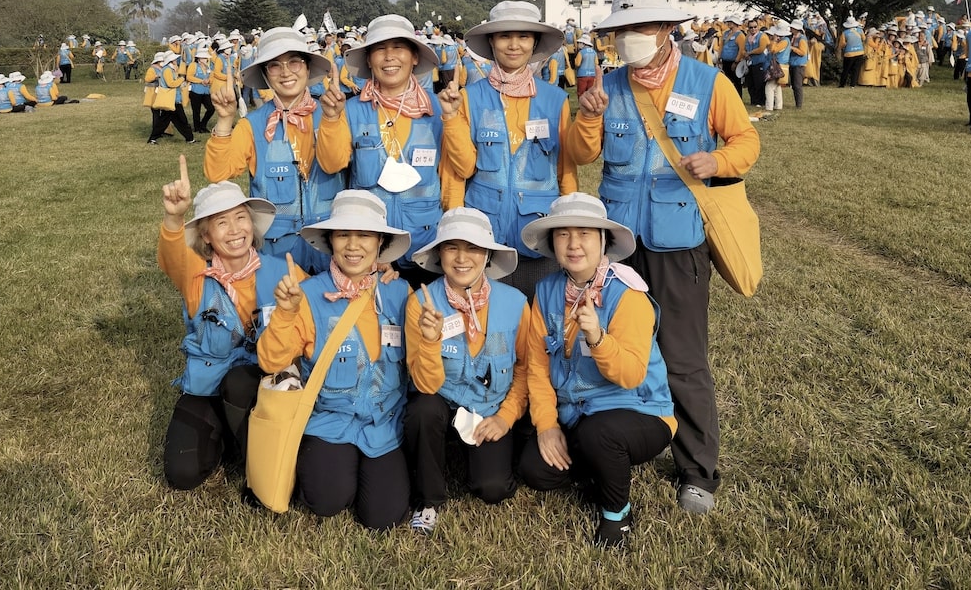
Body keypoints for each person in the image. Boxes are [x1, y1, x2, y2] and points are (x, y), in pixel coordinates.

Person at [569, 0, 760, 515]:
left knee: (682, 357)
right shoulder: (605, 85)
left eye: (642, 26)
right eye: (623, 28)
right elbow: (584, 156)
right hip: (620, 244)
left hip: (679, 242)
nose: (632, 36)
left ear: (666, 29)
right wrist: (588, 114)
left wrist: (717, 162)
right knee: (611, 343)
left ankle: (697, 470)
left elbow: (746, 141)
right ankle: (616, 445)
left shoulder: (707, 82)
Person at [516, 193, 675, 548]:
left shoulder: (629, 294)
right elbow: (538, 367)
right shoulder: (547, 290)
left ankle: (617, 513)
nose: (574, 244)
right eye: (563, 234)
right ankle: (601, 469)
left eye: (585, 233)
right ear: (552, 242)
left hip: (640, 412)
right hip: (576, 414)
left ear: (603, 240)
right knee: (533, 470)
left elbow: (632, 375)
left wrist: (598, 338)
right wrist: (546, 427)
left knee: (599, 436)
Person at [257, 190, 413, 530]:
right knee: (326, 501)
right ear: (330, 241)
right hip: (329, 423)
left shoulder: (400, 293)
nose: (353, 246)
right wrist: (285, 314)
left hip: (384, 424)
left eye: (365, 236)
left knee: (383, 517)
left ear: (381, 243)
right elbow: (271, 362)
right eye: (343, 234)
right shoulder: (307, 294)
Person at [158, 155, 293, 491]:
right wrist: (174, 218)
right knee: (183, 473)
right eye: (221, 223)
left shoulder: (282, 270)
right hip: (207, 384)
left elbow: (321, 302)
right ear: (206, 237)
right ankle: (227, 436)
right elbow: (172, 255)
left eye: (240, 218)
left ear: (252, 224)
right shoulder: (195, 275)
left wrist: (380, 274)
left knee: (239, 382)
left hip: (260, 385)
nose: (235, 231)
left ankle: (254, 449)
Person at [403, 207, 529, 534]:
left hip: (490, 408)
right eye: (451, 247)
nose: (462, 258)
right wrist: (430, 342)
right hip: (441, 402)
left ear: (487, 255)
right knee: (422, 410)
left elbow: (526, 368)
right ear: (439, 254)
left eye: (473, 247)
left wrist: (506, 416)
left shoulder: (515, 302)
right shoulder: (420, 303)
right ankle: (428, 500)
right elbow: (425, 384)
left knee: (493, 489)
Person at [439, 1, 577, 294]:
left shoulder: (555, 100)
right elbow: (460, 170)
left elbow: (566, 171)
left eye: (524, 37)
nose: (514, 45)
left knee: (539, 327)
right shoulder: (469, 98)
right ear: (491, 42)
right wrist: (450, 118)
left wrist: (568, 231)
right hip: (485, 241)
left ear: (535, 42)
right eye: (504, 36)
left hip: (539, 239)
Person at [317, 15, 447, 284]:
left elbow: (454, 176)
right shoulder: (350, 109)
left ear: (414, 57)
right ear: (368, 59)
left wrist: (450, 239)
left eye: (399, 47)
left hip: (425, 246)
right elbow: (332, 164)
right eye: (380, 49)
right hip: (369, 252)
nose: (389, 57)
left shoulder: (438, 110)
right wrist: (330, 119)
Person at [205, 27, 344, 274]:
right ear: (265, 75)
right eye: (275, 66)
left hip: (330, 245)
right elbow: (218, 173)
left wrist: (332, 120)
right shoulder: (253, 124)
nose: (286, 72)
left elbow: (334, 163)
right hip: (277, 253)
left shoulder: (333, 114)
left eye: (295, 62)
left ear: (308, 68)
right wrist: (225, 120)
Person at [147, 52, 196, 145]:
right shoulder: (168, 70)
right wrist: (181, 79)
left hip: (173, 99)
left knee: (166, 121)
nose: (176, 60)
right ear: (171, 60)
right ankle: (190, 138)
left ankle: (153, 138)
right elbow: (171, 84)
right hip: (172, 99)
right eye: (174, 59)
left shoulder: (169, 69)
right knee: (181, 120)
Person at [763, 21, 791, 113]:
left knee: (769, 86)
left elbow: (773, 50)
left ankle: (769, 107)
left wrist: (774, 41)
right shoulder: (786, 40)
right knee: (777, 86)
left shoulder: (784, 41)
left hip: (778, 65)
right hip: (781, 65)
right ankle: (778, 105)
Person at [837, 16, 865, 87]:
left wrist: (841, 48)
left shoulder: (844, 33)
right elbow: (864, 38)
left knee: (846, 69)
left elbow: (842, 44)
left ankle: (842, 84)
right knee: (856, 70)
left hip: (849, 53)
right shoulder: (860, 30)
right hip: (860, 52)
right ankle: (853, 85)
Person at [787, 20, 809, 109]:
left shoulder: (802, 39)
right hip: (793, 63)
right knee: (794, 85)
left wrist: (792, 48)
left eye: (792, 27)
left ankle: (799, 105)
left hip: (799, 64)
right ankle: (797, 104)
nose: (791, 29)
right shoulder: (793, 37)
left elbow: (803, 52)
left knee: (797, 85)